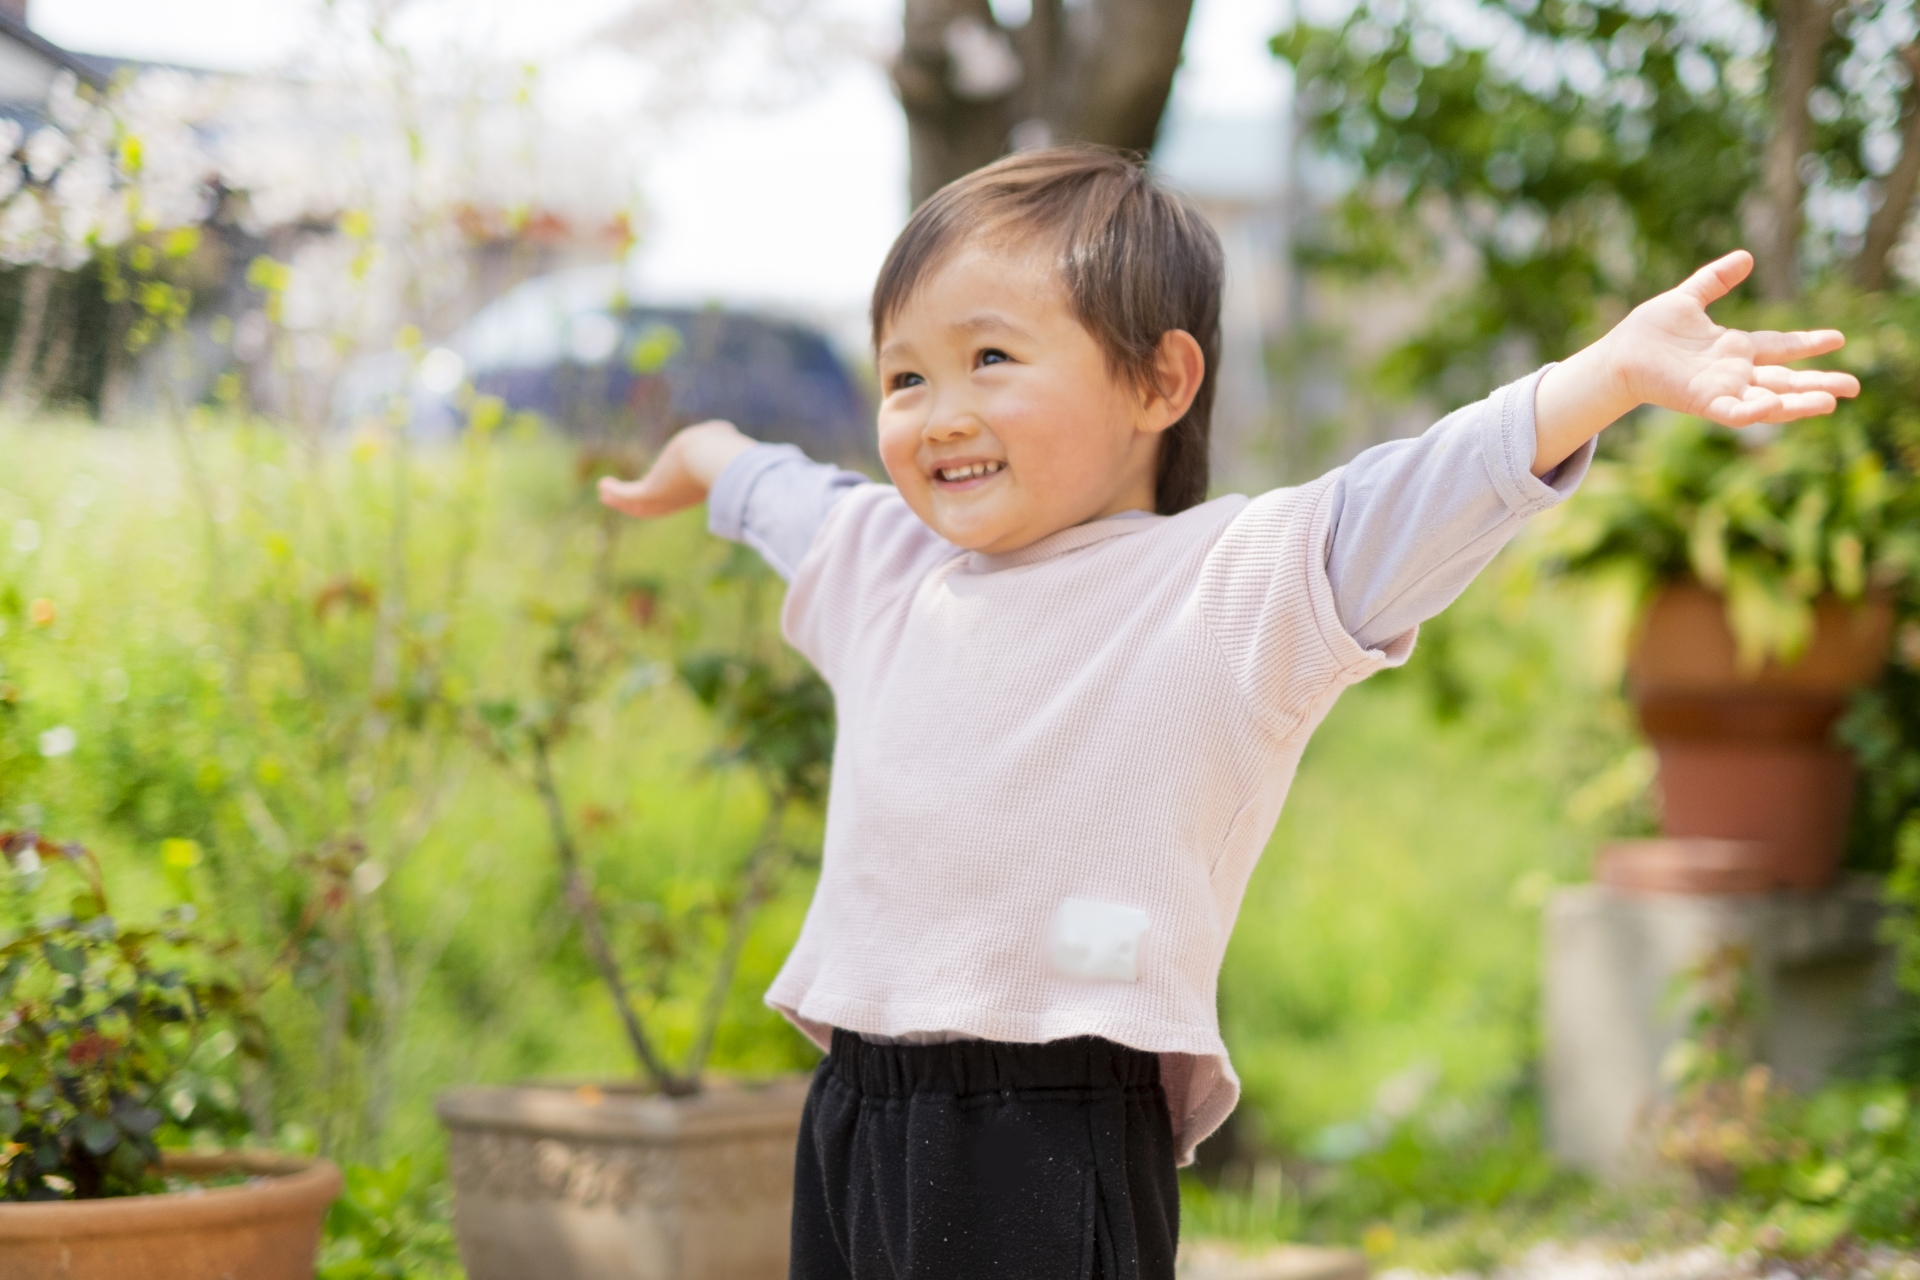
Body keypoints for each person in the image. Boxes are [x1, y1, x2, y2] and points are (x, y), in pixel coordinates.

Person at [598, 147, 1857, 1280]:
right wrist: (700, 450)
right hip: (859, 1107)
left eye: (990, 356)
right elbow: (778, 490)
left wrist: (1607, 377)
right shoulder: (882, 560)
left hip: (1055, 1112)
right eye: (904, 375)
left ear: (1160, 380)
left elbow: (1412, 496)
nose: (940, 411)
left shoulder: (1227, 582)